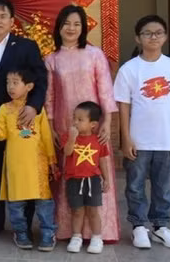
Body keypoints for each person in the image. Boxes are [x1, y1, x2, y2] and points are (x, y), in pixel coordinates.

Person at [0, 0, 48, 239]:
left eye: (2, 16)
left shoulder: (26, 46)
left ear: (11, 20)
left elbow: (41, 79)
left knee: (24, 170)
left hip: (22, 120)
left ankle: (23, 225)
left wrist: (34, 107)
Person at [44, 5, 120, 243]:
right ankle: (70, 231)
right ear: (59, 27)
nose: (71, 28)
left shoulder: (94, 54)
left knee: (96, 171)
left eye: (77, 24)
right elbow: (49, 97)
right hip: (66, 127)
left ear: (83, 28)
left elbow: (106, 90)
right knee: (72, 174)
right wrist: (51, 127)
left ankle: (100, 232)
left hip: (94, 127)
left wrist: (106, 122)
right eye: (67, 23)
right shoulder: (51, 59)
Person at [114, 15, 170, 250]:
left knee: (163, 187)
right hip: (139, 141)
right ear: (138, 38)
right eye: (147, 33)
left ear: (165, 37)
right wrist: (126, 139)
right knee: (135, 186)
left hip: (168, 140)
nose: (153, 37)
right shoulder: (129, 69)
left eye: (158, 32)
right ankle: (138, 227)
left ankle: (160, 227)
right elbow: (123, 107)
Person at [0, 68, 56, 252]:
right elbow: (2, 135)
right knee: (16, 203)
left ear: (29, 86)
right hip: (15, 164)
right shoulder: (5, 109)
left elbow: (46, 136)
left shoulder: (37, 109)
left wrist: (52, 161)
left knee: (44, 202)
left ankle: (48, 233)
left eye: (15, 82)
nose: (10, 87)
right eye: (8, 82)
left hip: (37, 164)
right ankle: (21, 233)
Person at [63, 102, 111, 254]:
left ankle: (97, 238)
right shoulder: (69, 136)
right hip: (74, 179)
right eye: (74, 118)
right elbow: (67, 153)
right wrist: (72, 139)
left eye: (80, 119)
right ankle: (76, 237)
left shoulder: (99, 140)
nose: (75, 122)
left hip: (93, 180)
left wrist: (106, 179)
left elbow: (102, 160)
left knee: (93, 211)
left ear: (93, 124)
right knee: (77, 211)